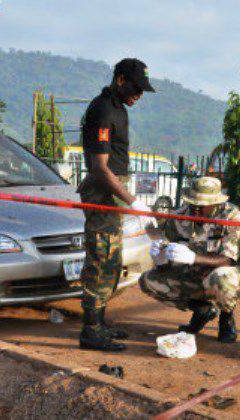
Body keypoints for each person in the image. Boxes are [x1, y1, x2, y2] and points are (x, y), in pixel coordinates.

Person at [77, 58, 157, 352]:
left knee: (112, 260)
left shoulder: (118, 108)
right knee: (100, 260)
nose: (139, 95)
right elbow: (99, 168)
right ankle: (90, 331)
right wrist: (133, 201)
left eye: (143, 91)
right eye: (136, 88)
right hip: (102, 194)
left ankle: (100, 322)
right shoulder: (103, 109)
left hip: (112, 191)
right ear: (120, 80)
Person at [139, 177, 240, 342]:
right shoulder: (178, 217)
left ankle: (226, 318)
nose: (195, 210)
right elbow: (170, 255)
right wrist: (161, 259)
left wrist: (193, 257)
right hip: (193, 275)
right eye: (192, 204)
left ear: (215, 203)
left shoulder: (231, 215)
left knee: (222, 279)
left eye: (201, 206)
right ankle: (203, 310)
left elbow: (228, 260)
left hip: (229, 273)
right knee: (148, 280)